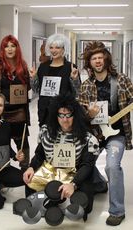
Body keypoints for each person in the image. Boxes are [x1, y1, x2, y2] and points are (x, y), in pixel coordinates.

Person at [78, 41, 133, 226]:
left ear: (106, 59)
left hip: (116, 134)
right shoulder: (86, 86)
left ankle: (117, 211)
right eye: (94, 58)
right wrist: (88, 114)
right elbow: (79, 115)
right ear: (89, 63)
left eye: (100, 57)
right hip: (94, 134)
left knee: (112, 166)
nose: (98, 61)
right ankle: (100, 184)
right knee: (82, 162)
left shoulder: (122, 80)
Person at [23, 94, 99, 220]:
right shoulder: (46, 132)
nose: (65, 120)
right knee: (29, 181)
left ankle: (59, 199)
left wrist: (73, 184)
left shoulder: (87, 138)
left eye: (69, 115)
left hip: (75, 173)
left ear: (75, 115)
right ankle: (52, 200)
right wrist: (31, 167)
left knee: (86, 207)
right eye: (61, 115)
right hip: (51, 171)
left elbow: (87, 165)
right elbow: (40, 154)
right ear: (55, 115)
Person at [0, 35, 30, 170]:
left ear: (17, 48)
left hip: (19, 112)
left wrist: (32, 78)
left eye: (13, 46)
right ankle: (1, 171)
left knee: (23, 143)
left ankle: (25, 171)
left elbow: (28, 88)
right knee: (1, 143)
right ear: (2, 49)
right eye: (6, 46)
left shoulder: (22, 65)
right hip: (0, 111)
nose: (9, 49)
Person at [34, 33, 80, 127]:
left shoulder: (70, 67)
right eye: (51, 47)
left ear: (63, 49)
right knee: (45, 139)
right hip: (45, 111)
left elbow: (77, 92)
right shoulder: (43, 67)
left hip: (63, 113)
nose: (54, 50)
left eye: (57, 47)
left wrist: (74, 79)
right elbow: (36, 90)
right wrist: (33, 78)